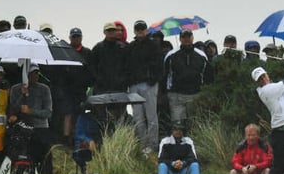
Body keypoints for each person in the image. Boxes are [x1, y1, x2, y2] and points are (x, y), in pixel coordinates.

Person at [8, 64, 54, 174]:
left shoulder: (44, 89)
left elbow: (48, 113)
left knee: (44, 159)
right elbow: (13, 109)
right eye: (32, 73)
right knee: (24, 157)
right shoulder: (15, 89)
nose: (35, 76)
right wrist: (22, 95)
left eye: (37, 73)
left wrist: (30, 111)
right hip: (22, 128)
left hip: (40, 128)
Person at [127, 20, 164, 156]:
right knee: (138, 117)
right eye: (138, 29)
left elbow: (160, 66)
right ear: (135, 31)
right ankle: (142, 145)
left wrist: (153, 80)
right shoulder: (131, 46)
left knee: (151, 116)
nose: (140, 31)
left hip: (149, 85)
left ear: (146, 30)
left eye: (142, 28)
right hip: (134, 86)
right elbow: (127, 66)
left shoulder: (154, 45)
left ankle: (152, 145)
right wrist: (129, 82)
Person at [164, 29, 208, 126]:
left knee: (195, 124)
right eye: (184, 37)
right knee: (178, 126)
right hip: (176, 95)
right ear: (180, 39)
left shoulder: (201, 55)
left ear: (192, 38)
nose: (186, 39)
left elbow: (207, 76)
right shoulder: (171, 55)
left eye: (189, 36)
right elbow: (165, 75)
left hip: (196, 95)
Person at [89, 22, 129, 94]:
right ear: (104, 32)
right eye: (109, 30)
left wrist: (122, 80)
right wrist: (98, 79)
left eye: (113, 30)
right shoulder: (98, 47)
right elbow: (92, 66)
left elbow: (127, 66)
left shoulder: (123, 47)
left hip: (119, 88)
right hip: (101, 88)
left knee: (119, 105)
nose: (111, 32)